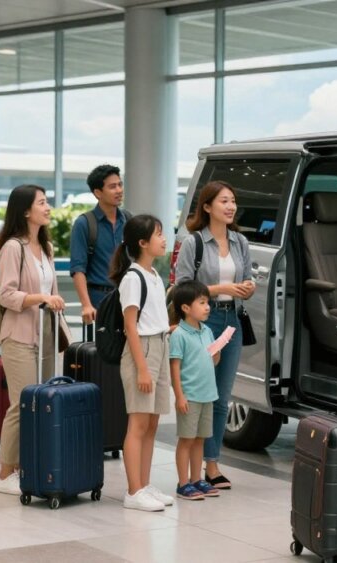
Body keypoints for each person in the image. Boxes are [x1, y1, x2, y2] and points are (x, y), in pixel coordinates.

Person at [173, 180, 255, 490]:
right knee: (200, 396)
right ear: (207, 207)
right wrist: (219, 289)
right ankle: (192, 472)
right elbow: (181, 289)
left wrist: (247, 288)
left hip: (231, 318)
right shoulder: (194, 243)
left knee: (222, 398)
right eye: (224, 201)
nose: (231, 206)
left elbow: (245, 281)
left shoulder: (239, 242)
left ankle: (212, 464)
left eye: (233, 200)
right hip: (201, 326)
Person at [0, 184, 65, 495]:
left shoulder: (46, 249)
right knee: (20, 405)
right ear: (25, 211)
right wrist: (40, 297)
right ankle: (5, 472)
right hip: (20, 335)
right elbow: (7, 294)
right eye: (42, 203)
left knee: (43, 403)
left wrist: (52, 300)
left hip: (46, 335)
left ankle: (30, 464)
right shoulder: (13, 247)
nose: (48, 207)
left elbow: (52, 290)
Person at [112, 214, 173, 512]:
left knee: (152, 423)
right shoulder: (133, 278)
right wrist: (143, 368)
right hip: (143, 352)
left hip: (159, 344)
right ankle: (133, 491)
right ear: (142, 243)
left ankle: (145, 484)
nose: (164, 239)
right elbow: (130, 327)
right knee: (138, 424)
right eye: (158, 234)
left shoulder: (153, 275)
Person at [169, 280, 222, 501]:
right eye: (201, 302)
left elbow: (214, 362)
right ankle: (183, 483)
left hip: (207, 395)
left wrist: (217, 351)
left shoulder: (207, 330)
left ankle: (196, 479)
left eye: (207, 302)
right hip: (190, 397)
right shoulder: (179, 335)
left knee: (200, 439)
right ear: (185, 308)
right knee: (186, 440)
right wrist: (179, 396)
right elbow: (175, 367)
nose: (207, 306)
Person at [70, 164, 129, 326]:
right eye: (112, 187)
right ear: (98, 193)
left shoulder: (128, 219)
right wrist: (86, 305)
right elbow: (78, 269)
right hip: (100, 300)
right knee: (104, 350)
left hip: (129, 296)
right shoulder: (84, 224)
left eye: (120, 184)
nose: (119, 190)